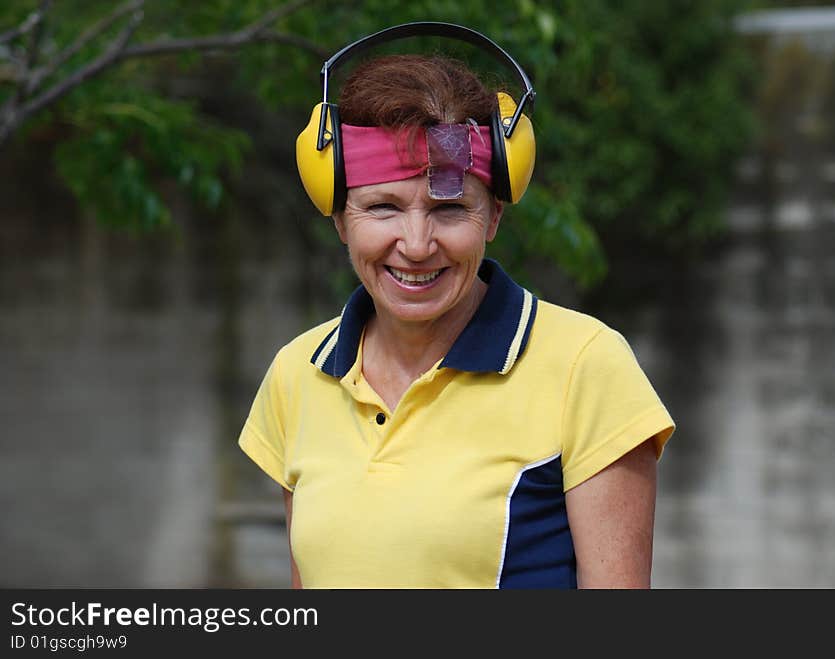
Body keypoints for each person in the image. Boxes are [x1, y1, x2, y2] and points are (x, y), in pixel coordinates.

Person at [238, 23, 675, 589]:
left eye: (449, 210)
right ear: (339, 216)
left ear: (493, 214)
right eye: (383, 207)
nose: (417, 245)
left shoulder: (585, 367)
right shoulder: (298, 374)